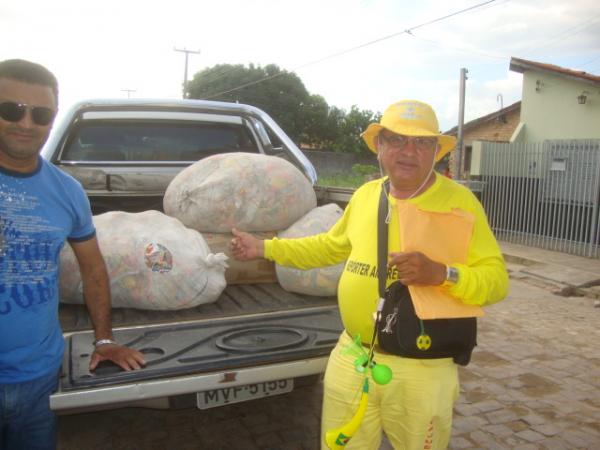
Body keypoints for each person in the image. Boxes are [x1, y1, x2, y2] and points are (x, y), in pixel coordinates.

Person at [231, 100, 509, 450]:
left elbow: (496, 281)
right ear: (379, 147)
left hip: (422, 367)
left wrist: (442, 273)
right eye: (396, 140)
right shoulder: (365, 196)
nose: (408, 151)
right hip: (353, 354)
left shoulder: (461, 203)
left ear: (437, 151)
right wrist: (265, 248)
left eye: (421, 142)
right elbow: (328, 247)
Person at [0, 59, 145, 450]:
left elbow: (93, 267)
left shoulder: (67, 192)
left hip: (38, 375)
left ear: (52, 120)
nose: (26, 123)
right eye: (10, 110)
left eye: (41, 114)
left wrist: (104, 340)